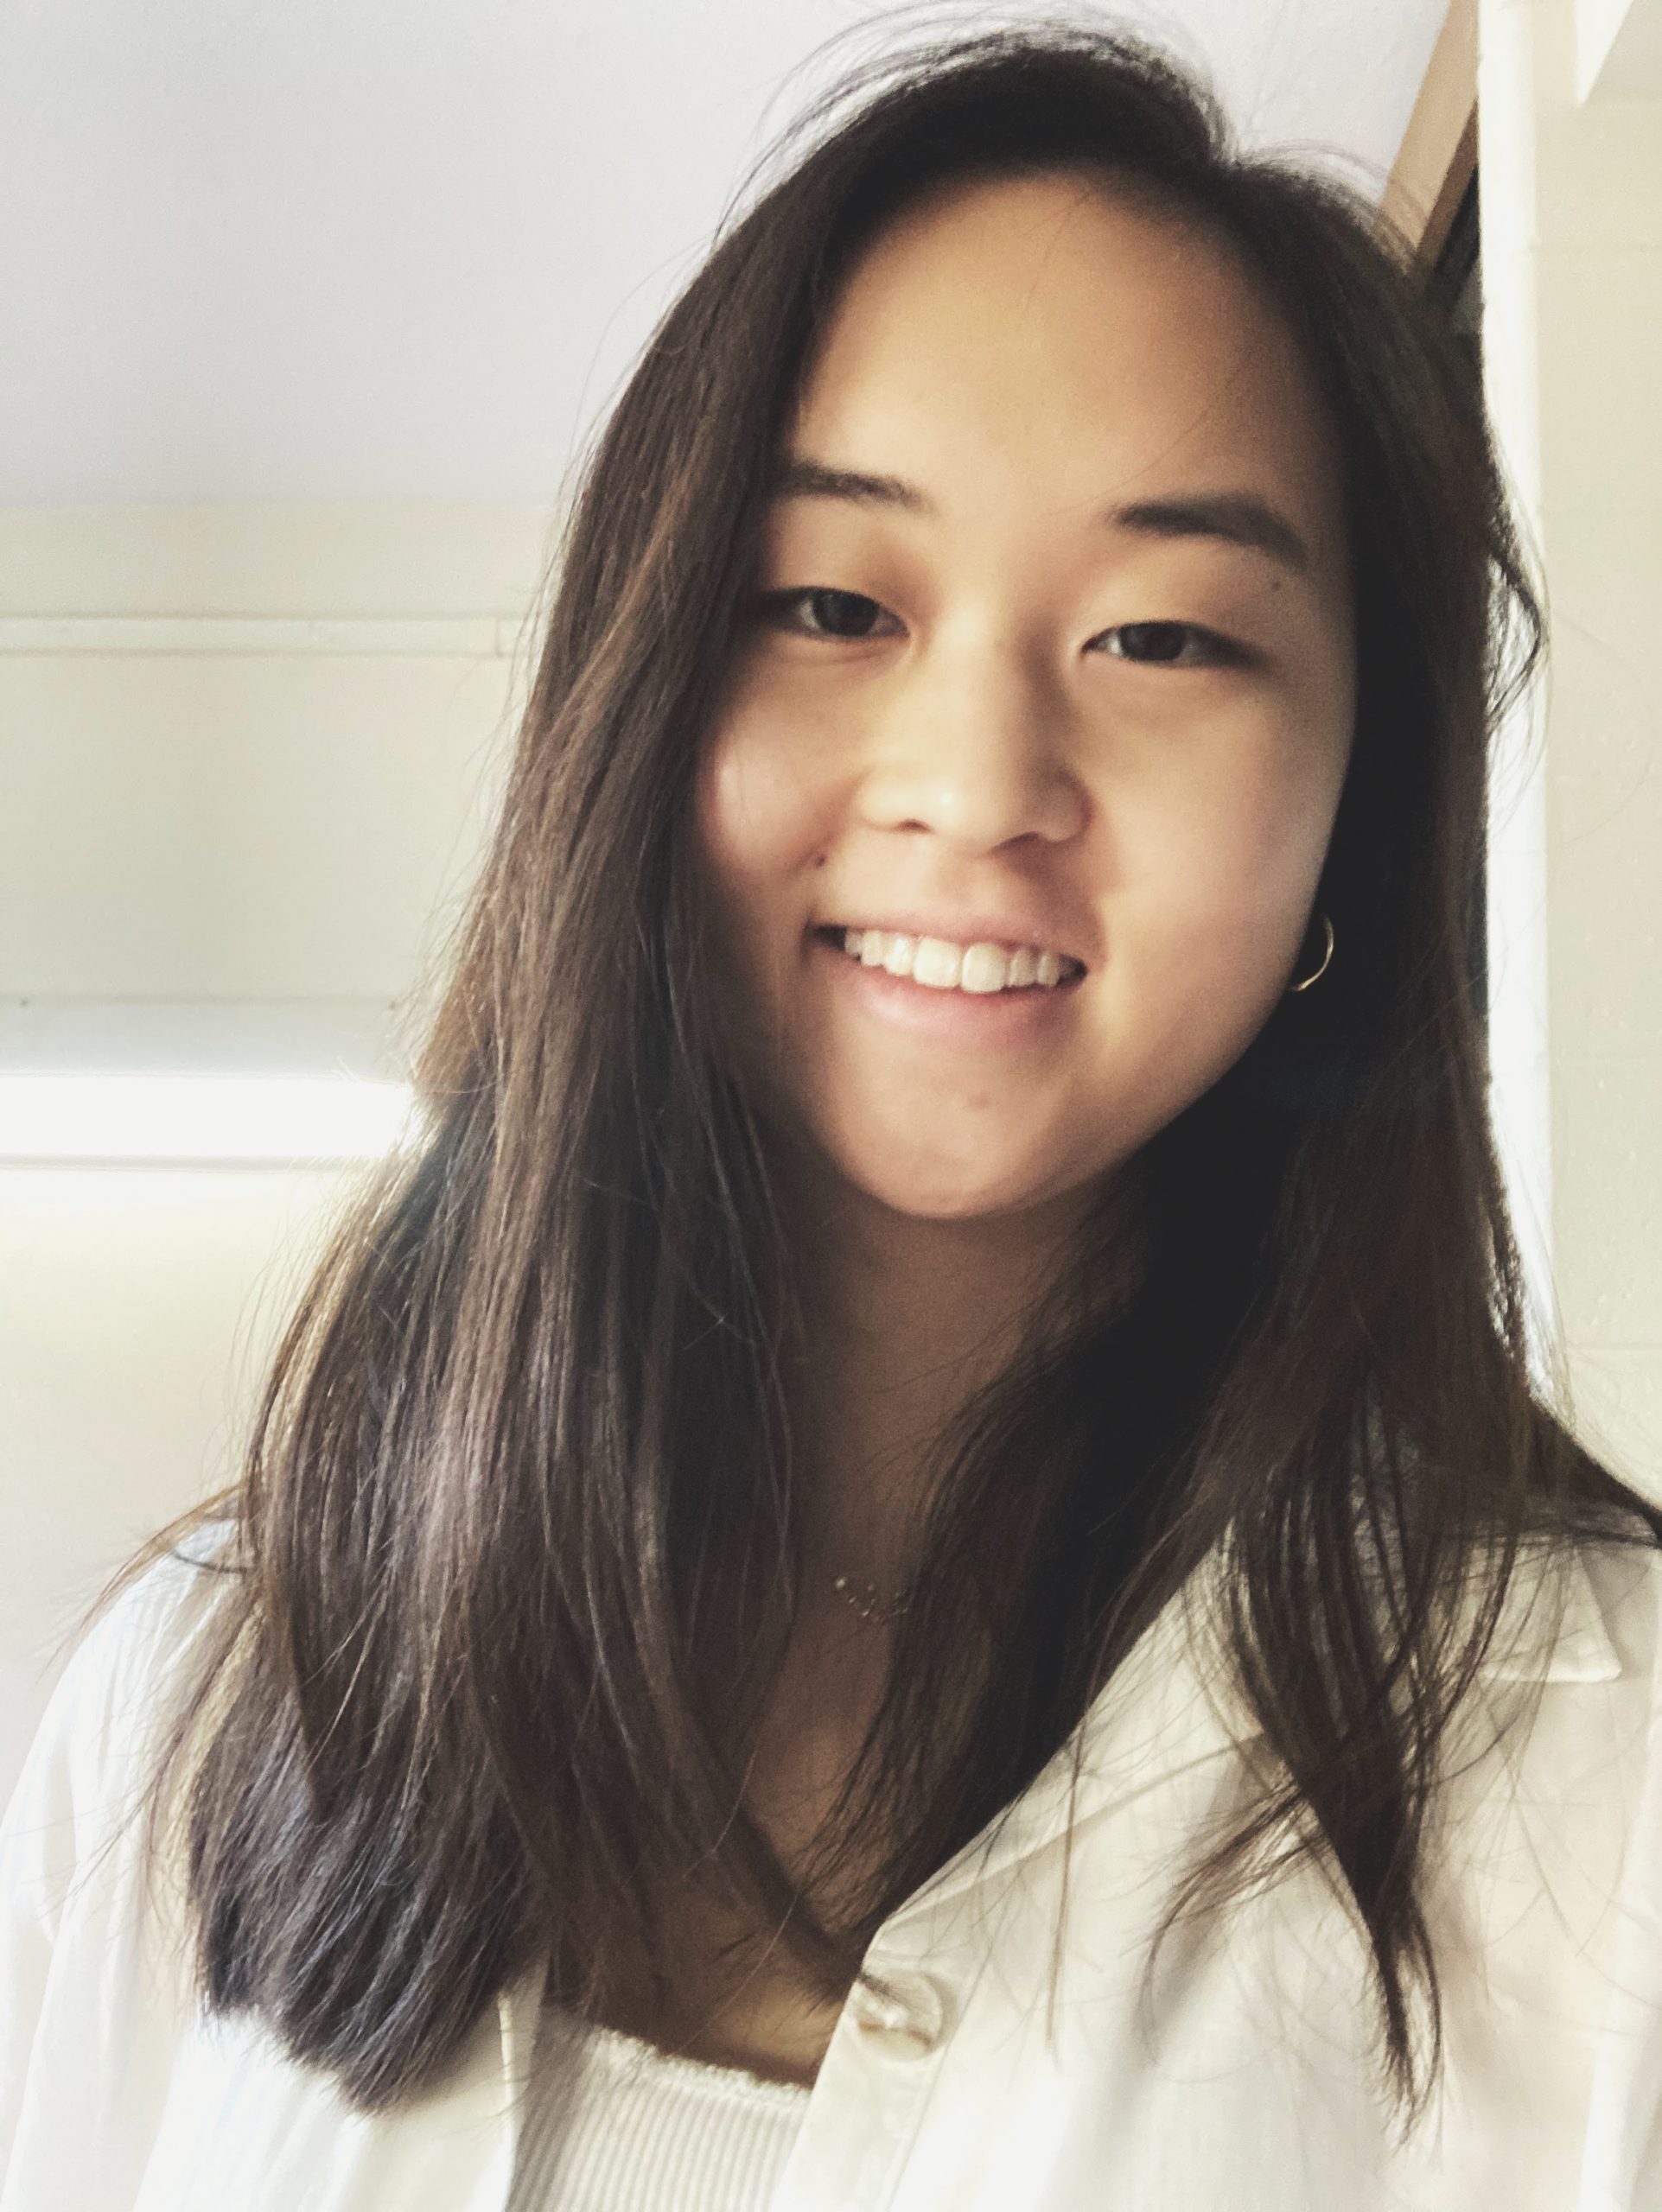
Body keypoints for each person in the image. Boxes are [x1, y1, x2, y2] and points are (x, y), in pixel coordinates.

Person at [5, 20, 1662, 2211]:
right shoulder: (217, 1697)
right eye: (826, 603)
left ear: (1354, 811)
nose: (976, 788)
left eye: (1164, 638)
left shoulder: (1607, 1787)